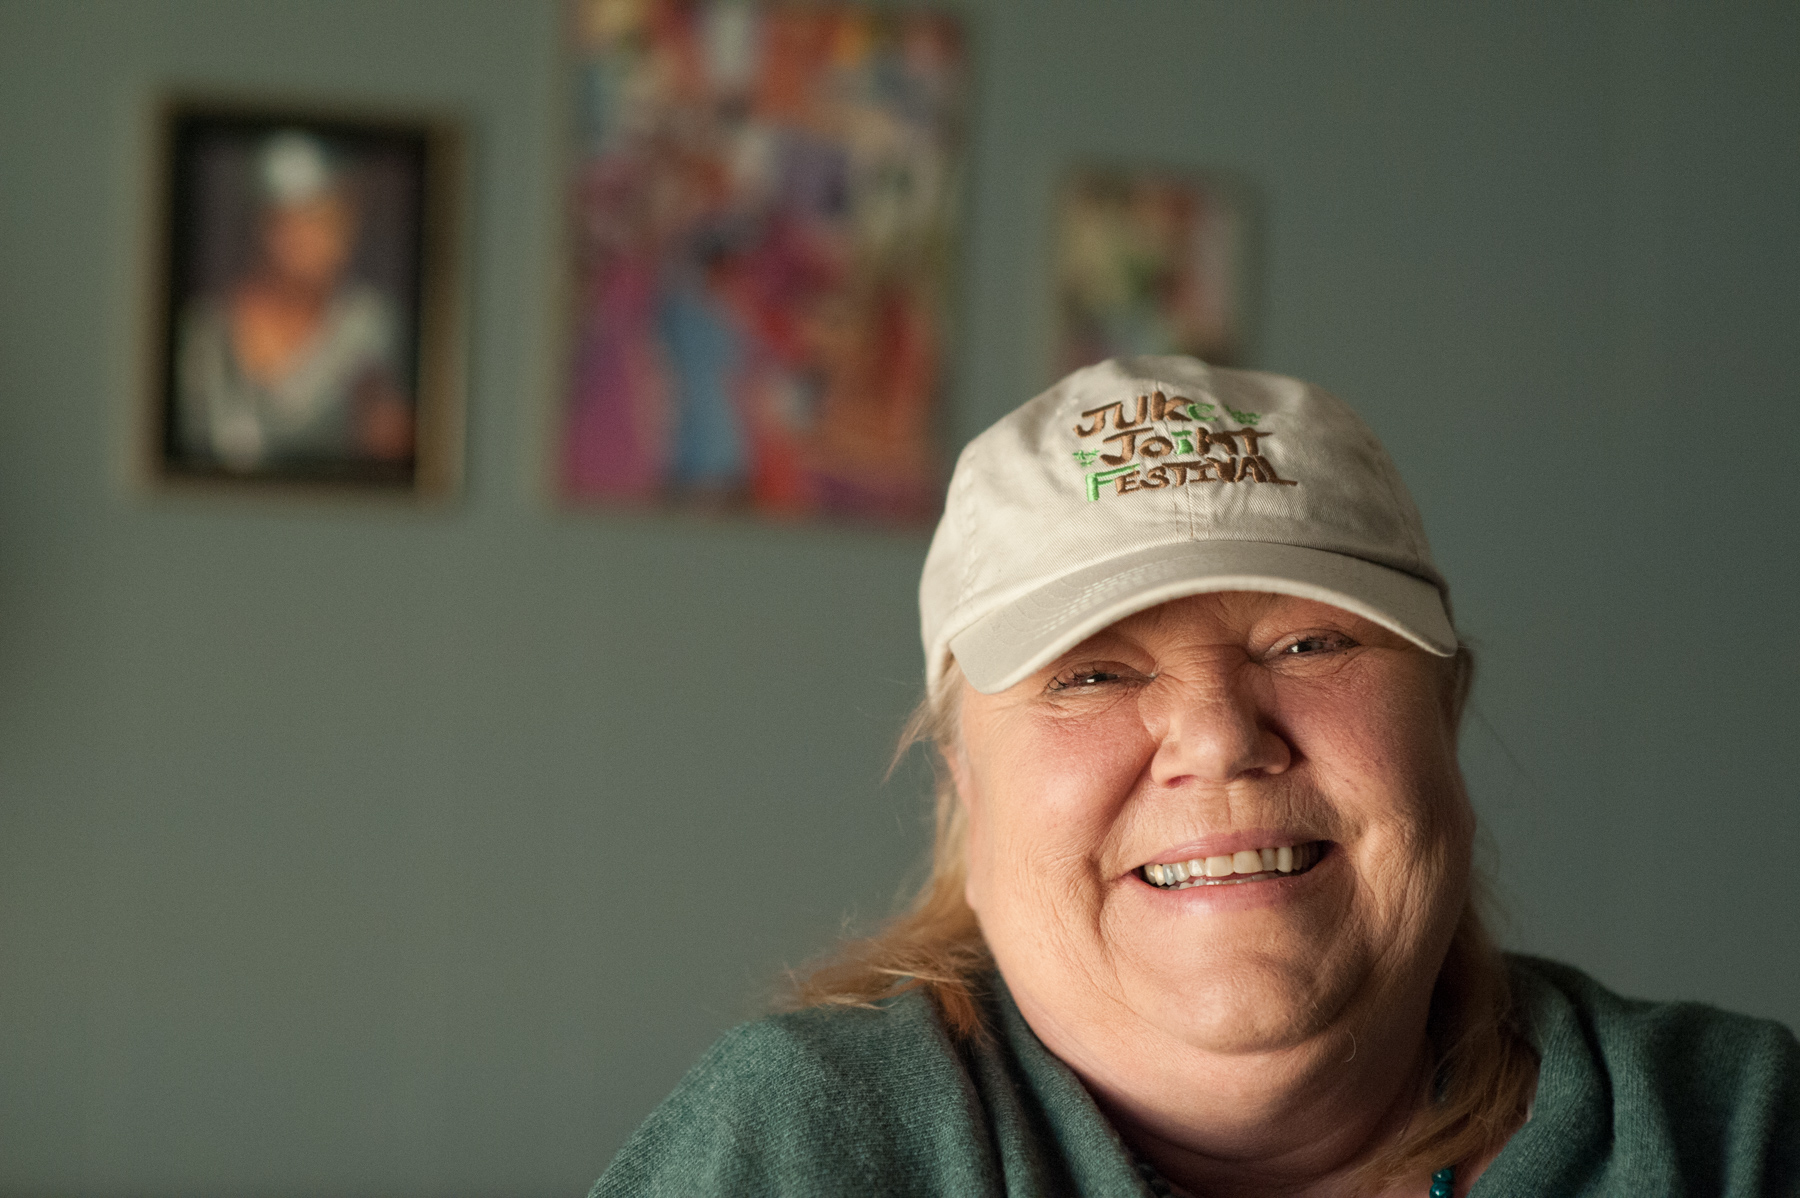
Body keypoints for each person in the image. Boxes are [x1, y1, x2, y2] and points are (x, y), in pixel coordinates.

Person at [593, 356, 1800, 1197]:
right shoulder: (803, 1146)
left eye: (1309, 642)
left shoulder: (1729, 1129)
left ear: (1445, 708)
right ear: (963, 782)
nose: (1220, 736)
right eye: (1092, 675)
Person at [176, 130, 412, 473]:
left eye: (336, 217)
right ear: (265, 226)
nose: (328, 239)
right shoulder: (204, 330)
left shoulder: (374, 326)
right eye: (306, 220)